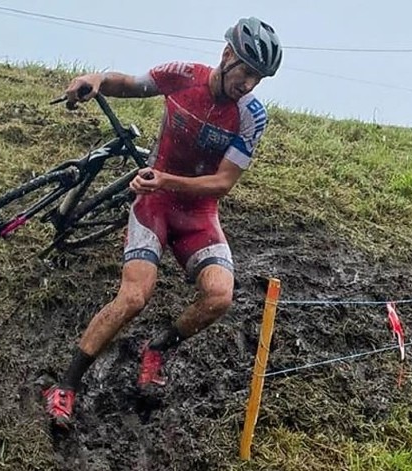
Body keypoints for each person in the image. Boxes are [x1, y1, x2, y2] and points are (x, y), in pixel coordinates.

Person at [44, 17, 282, 427]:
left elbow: (222, 183)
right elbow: (131, 85)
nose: (248, 84)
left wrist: (168, 180)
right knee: (135, 296)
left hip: (197, 212)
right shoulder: (182, 76)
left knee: (219, 296)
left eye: (257, 79)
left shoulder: (251, 116)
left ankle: (156, 351)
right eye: (245, 72)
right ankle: (65, 385)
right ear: (227, 56)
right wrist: (95, 79)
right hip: (152, 204)